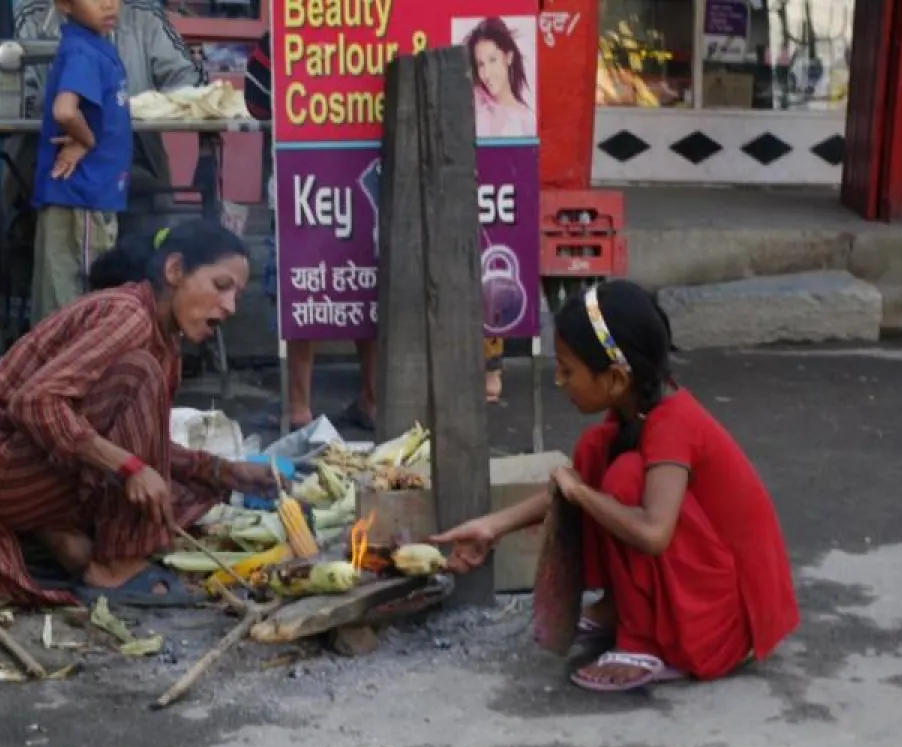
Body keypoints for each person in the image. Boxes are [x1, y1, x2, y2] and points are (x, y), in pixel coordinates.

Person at [433, 280, 799, 692]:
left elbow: (653, 533)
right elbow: (574, 484)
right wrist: (492, 526)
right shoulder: (638, 407)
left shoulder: (673, 424)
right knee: (596, 451)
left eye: (568, 370)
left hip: (729, 626)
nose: (560, 381)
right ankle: (618, 607)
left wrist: (582, 493)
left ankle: (643, 641)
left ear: (615, 378)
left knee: (622, 479)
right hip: (713, 596)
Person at [0, 220, 277, 607]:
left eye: (238, 295)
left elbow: (147, 443)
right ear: (175, 271)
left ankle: (58, 534)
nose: (230, 307)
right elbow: (35, 402)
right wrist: (127, 467)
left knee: (177, 492)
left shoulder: (168, 346)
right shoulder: (129, 315)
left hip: (29, 470)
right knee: (139, 383)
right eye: (221, 286)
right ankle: (113, 566)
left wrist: (223, 471)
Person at [245, 30, 376, 431]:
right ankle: (372, 399)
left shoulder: (288, 29)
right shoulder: (376, 26)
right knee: (365, 285)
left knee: (301, 287)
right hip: (367, 176)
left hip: (300, 179)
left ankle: (299, 407)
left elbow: (256, 102)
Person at [13, 0, 206, 237]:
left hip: (136, 159)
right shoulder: (37, 22)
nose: (108, 5)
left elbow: (191, 86)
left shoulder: (146, 19)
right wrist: (86, 129)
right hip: (67, 168)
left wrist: (153, 104)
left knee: (141, 254)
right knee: (76, 263)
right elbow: (25, 100)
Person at [30, 0, 132, 326]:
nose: (108, 4)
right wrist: (85, 140)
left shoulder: (94, 46)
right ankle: (69, 371)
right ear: (64, 5)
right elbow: (65, 110)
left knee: (66, 300)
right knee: (80, 305)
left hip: (86, 197)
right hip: (82, 200)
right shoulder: (82, 52)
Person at [465, 17, 535, 140]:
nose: (486, 74)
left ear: (509, 57)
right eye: (481, 64)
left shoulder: (526, 120)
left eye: (493, 60)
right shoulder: (473, 104)